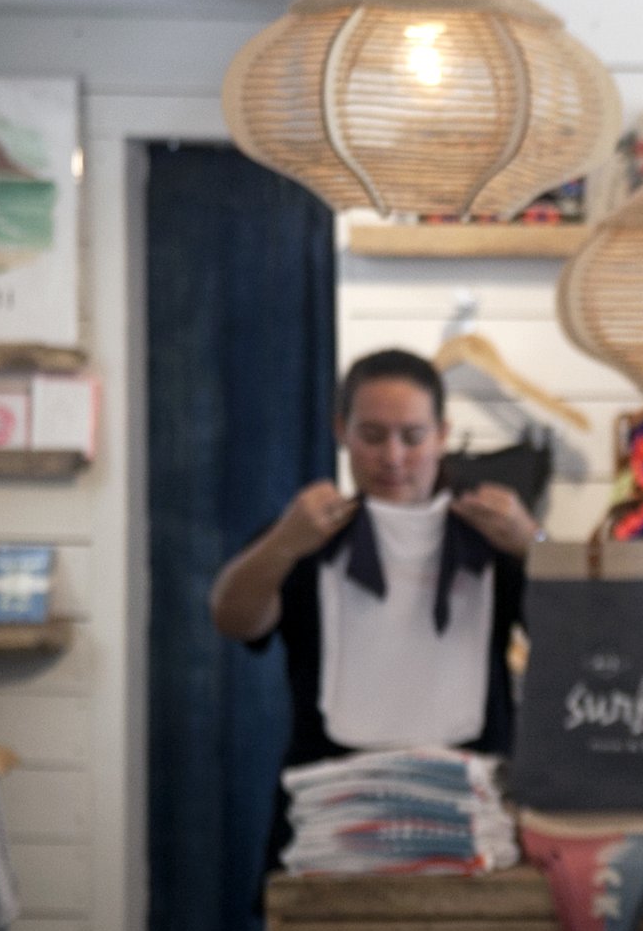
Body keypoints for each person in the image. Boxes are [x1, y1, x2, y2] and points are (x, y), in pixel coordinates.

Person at [211, 350, 540, 837]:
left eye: (413, 436)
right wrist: (282, 542)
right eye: (372, 435)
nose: (392, 457)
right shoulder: (308, 534)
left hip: (472, 809)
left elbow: (581, 640)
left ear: (442, 435)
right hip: (328, 814)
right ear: (341, 430)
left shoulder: (491, 538)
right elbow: (233, 619)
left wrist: (534, 543)